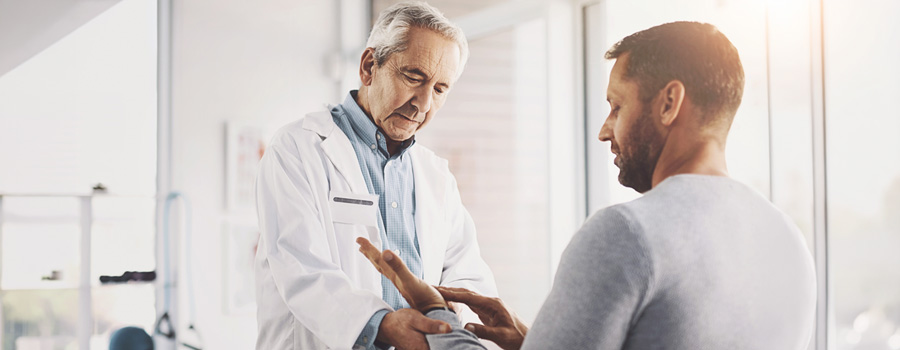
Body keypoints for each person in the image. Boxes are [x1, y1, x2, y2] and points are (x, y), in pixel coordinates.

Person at [356, 21, 817, 350]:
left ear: (669, 102)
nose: (604, 129)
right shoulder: (789, 243)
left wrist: (435, 311)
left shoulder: (627, 235)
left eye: (617, 106)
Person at [254, 2, 497, 350]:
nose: (424, 103)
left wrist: (450, 326)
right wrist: (381, 324)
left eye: (440, 89)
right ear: (370, 66)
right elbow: (301, 268)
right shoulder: (297, 149)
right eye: (414, 77)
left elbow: (467, 275)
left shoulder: (436, 176)